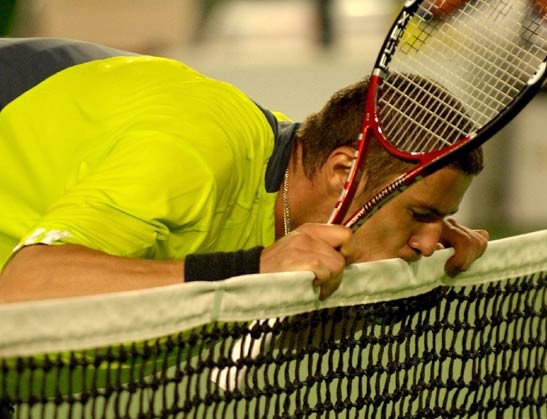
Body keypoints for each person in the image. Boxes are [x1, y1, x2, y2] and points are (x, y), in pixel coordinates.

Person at [0, 37, 488, 304]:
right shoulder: (193, 153)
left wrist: (421, 286)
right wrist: (251, 269)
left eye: (441, 219)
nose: (429, 242)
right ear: (344, 172)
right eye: (421, 214)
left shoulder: (290, 199)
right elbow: (23, 289)